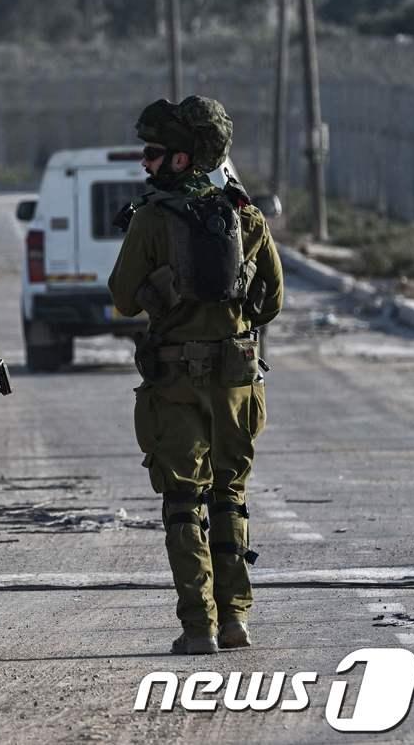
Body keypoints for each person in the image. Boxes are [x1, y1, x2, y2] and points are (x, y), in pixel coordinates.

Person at [108, 96, 283, 655]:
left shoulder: (154, 218)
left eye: (154, 154)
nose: (146, 163)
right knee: (230, 497)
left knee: (184, 502)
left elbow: (121, 299)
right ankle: (236, 619)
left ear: (183, 160)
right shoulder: (245, 215)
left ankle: (198, 626)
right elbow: (272, 300)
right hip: (236, 380)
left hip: (175, 381)